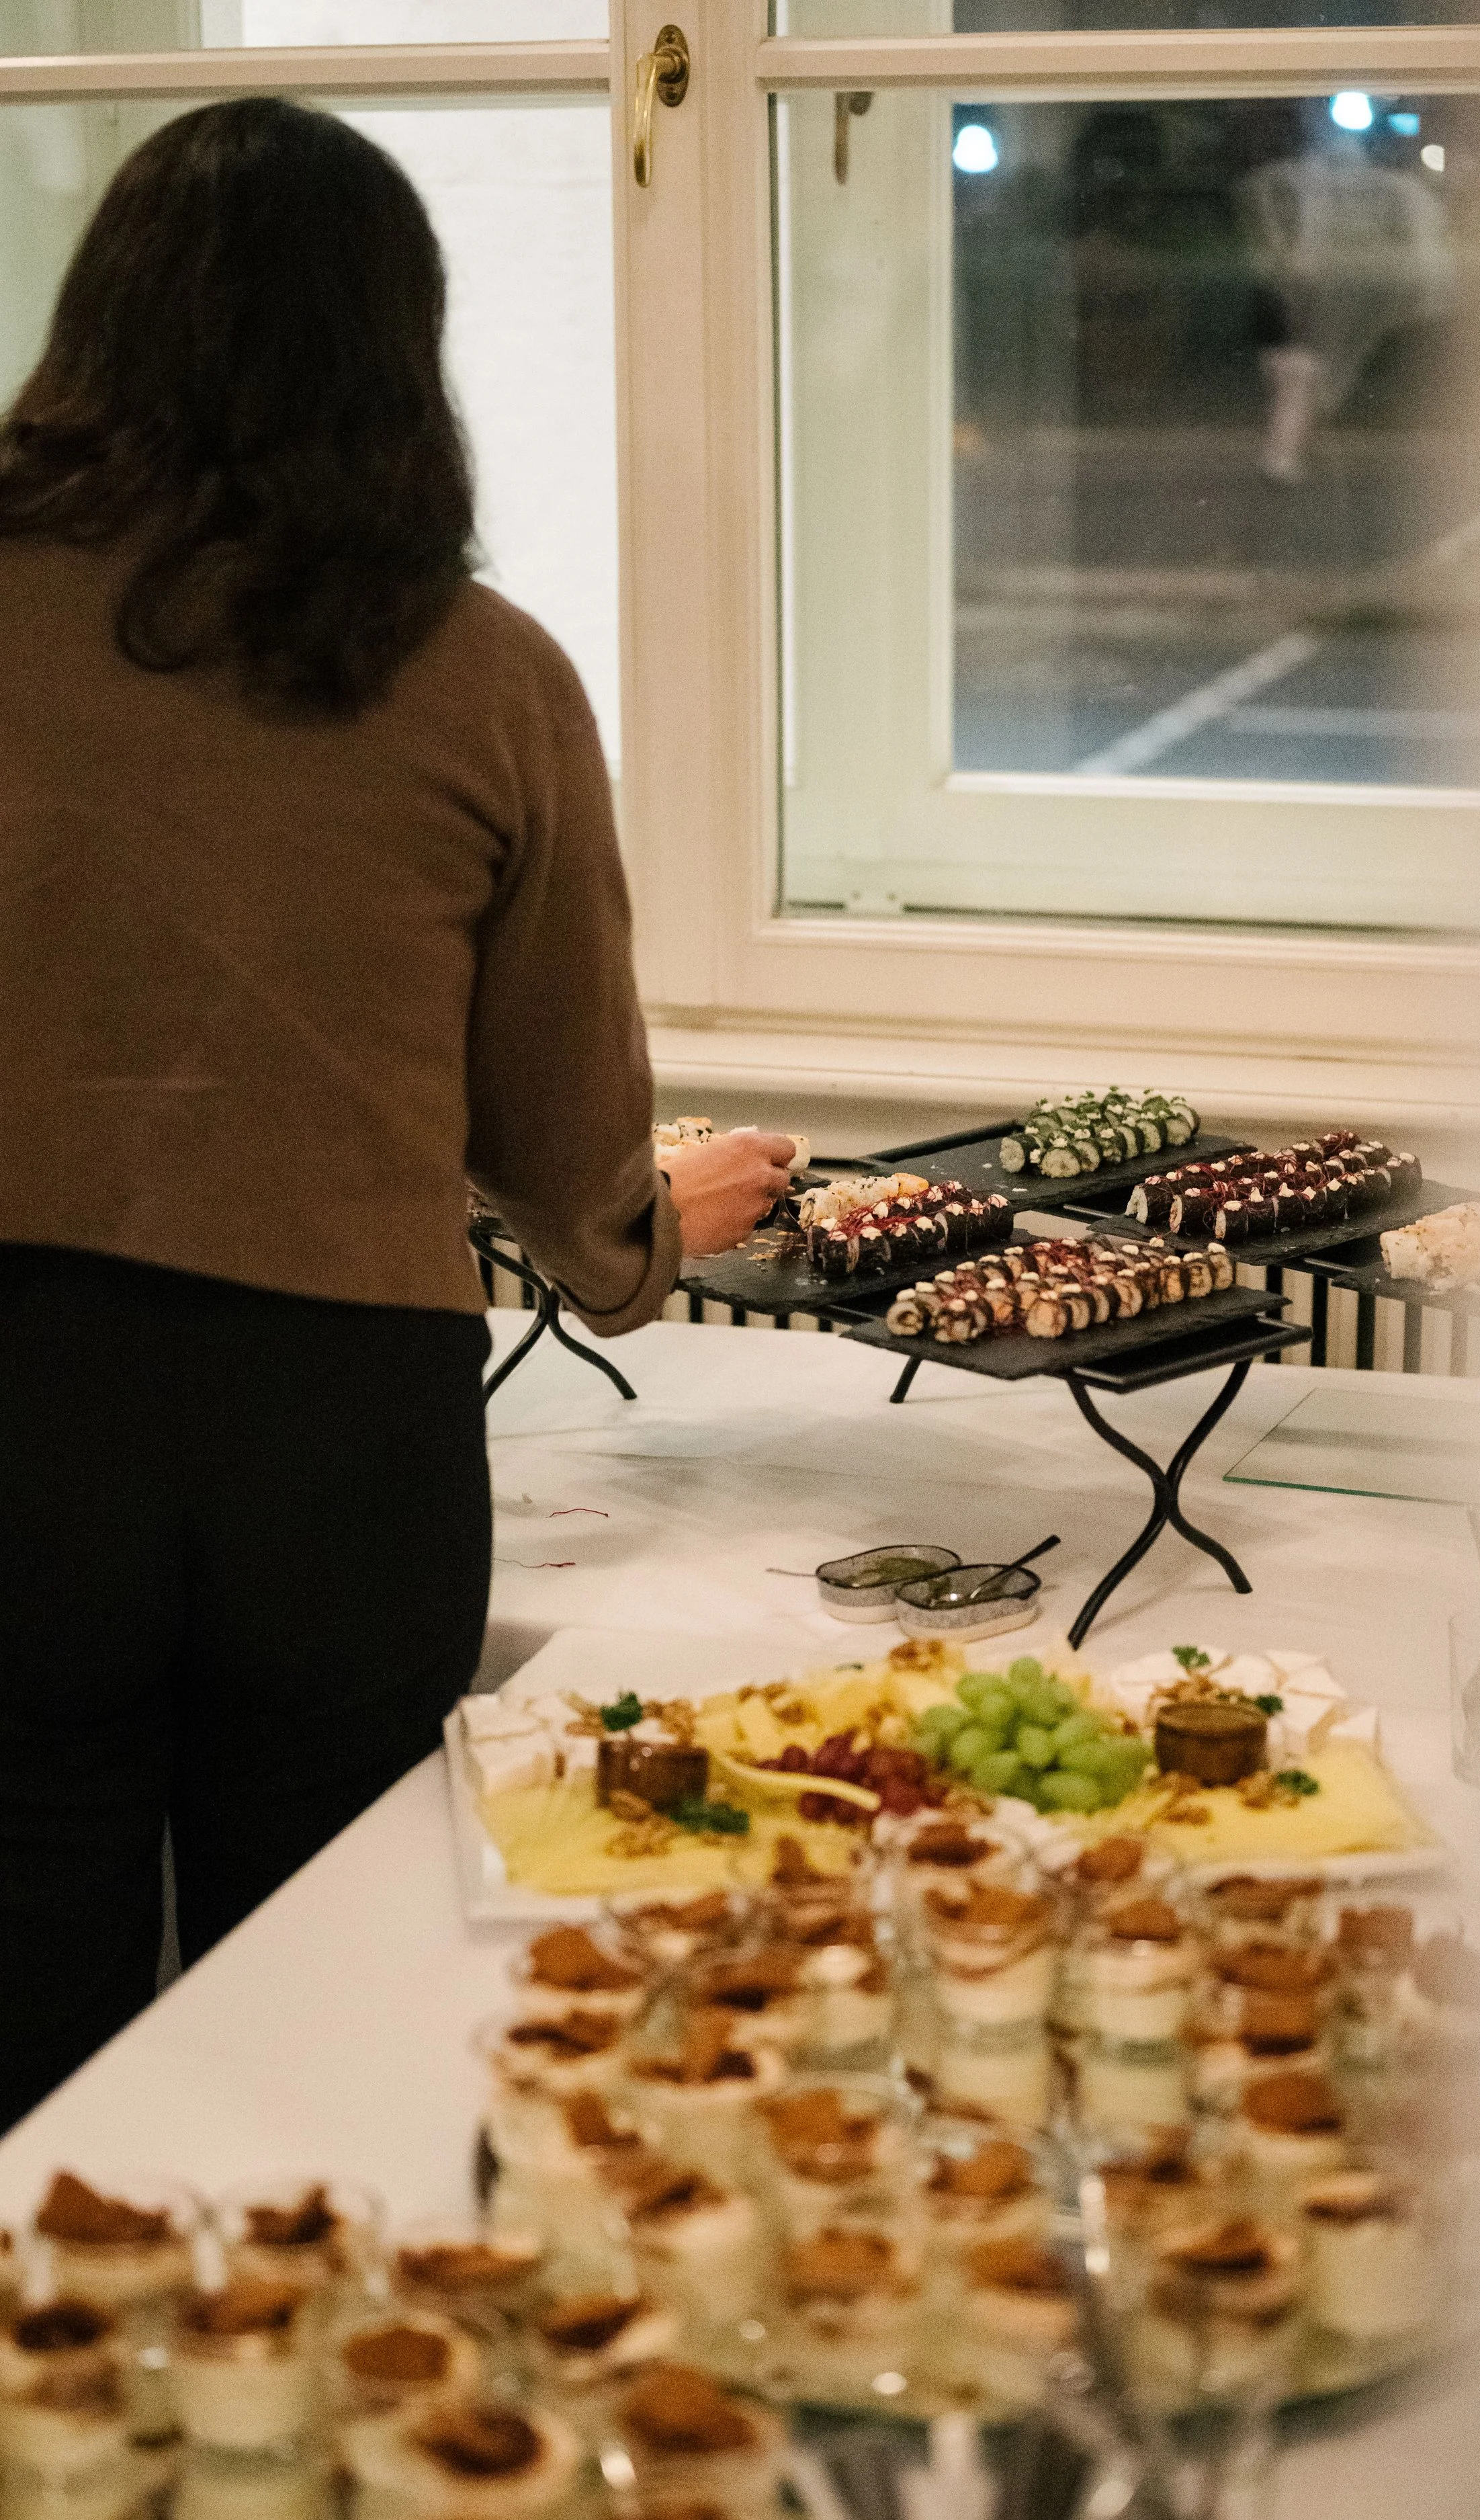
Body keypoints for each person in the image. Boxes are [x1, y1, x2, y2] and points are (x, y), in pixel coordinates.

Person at [0, 97, 792, 2132]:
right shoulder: (481, 672)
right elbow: (562, 1152)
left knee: (22, 2045)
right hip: (333, 1439)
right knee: (325, 2023)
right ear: (393, 353)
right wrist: (647, 1227)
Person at [1241, 134, 1456, 486]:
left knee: (1296, 393)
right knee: (1296, 394)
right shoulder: (1301, 266)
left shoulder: (1288, 260)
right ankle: (1280, 460)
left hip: (1285, 330)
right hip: (1292, 334)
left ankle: (1291, 453)